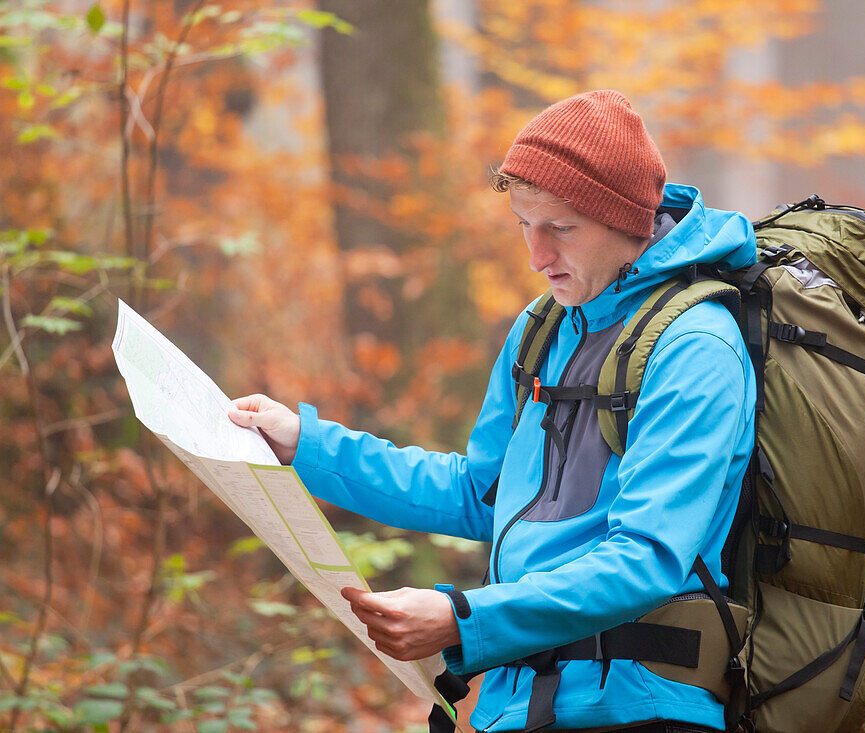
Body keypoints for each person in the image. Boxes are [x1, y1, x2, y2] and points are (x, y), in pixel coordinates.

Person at [229, 90, 757, 733]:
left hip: (639, 707)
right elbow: (483, 493)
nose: (537, 257)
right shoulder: (544, 330)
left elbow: (648, 558)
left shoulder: (695, 347)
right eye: (523, 227)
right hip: (516, 704)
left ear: (629, 222)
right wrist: (305, 447)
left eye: (560, 229)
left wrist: (462, 620)